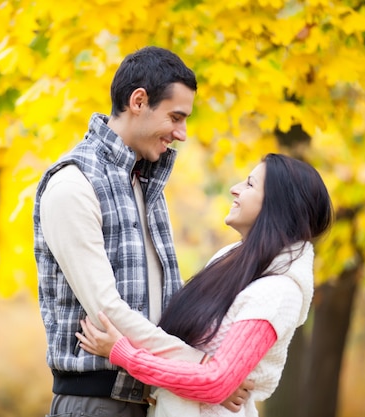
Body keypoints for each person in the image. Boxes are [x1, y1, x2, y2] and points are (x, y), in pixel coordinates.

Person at [33, 46, 252, 417]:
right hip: (98, 404)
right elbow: (107, 311)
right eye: (175, 117)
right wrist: (201, 367)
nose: (181, 134)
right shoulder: (73, 184)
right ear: (138, 101)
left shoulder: (145, 185)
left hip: (154, 398)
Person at [76, 153, 334, 417]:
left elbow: (216, 382)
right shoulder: (229, 260)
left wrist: (125, 355)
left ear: (277, 205)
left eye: (250, 185)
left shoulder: (278, 292)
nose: (235, 189)